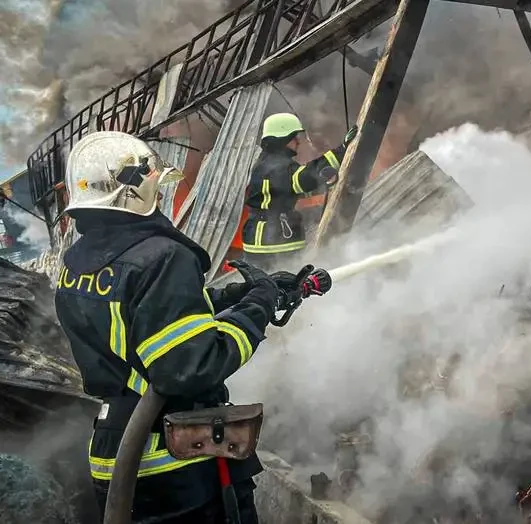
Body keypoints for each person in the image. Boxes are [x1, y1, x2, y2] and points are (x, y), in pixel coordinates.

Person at [53, 131, 331, 523]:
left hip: (114, 454)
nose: (163, 196)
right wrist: (258, 305)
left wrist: (232, 295)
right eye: (156, 187)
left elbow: (149, 318)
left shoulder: (80, 260)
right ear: (135, 191)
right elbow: (192, 366)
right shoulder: (163, 258)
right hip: (177, 462)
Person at [242, 112, 358, 270]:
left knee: (265, 288)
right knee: (285, 286)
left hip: (263, 237)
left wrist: (328, 184)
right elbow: (305, 178)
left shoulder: (267, 163)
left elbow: (290, 190)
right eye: (293, 136)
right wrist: (342, 151)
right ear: (282, 138)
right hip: (273, 242)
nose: (298, 141)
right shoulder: (278, 167)